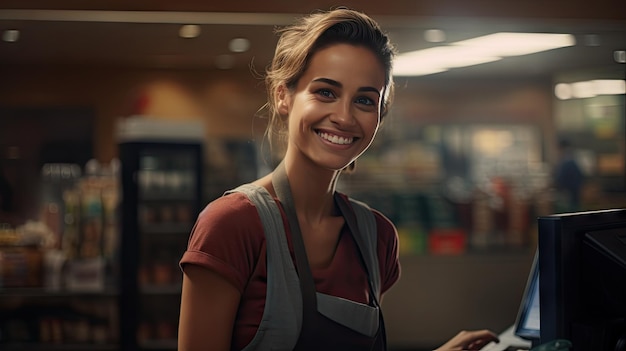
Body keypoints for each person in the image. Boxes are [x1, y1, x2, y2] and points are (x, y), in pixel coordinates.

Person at [178, 8, 499, 351]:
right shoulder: (232, 224)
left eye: (364, 100)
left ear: (379, 116)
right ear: (283, 96)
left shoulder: (376, 238)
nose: (344, 117)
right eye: (326, 93)